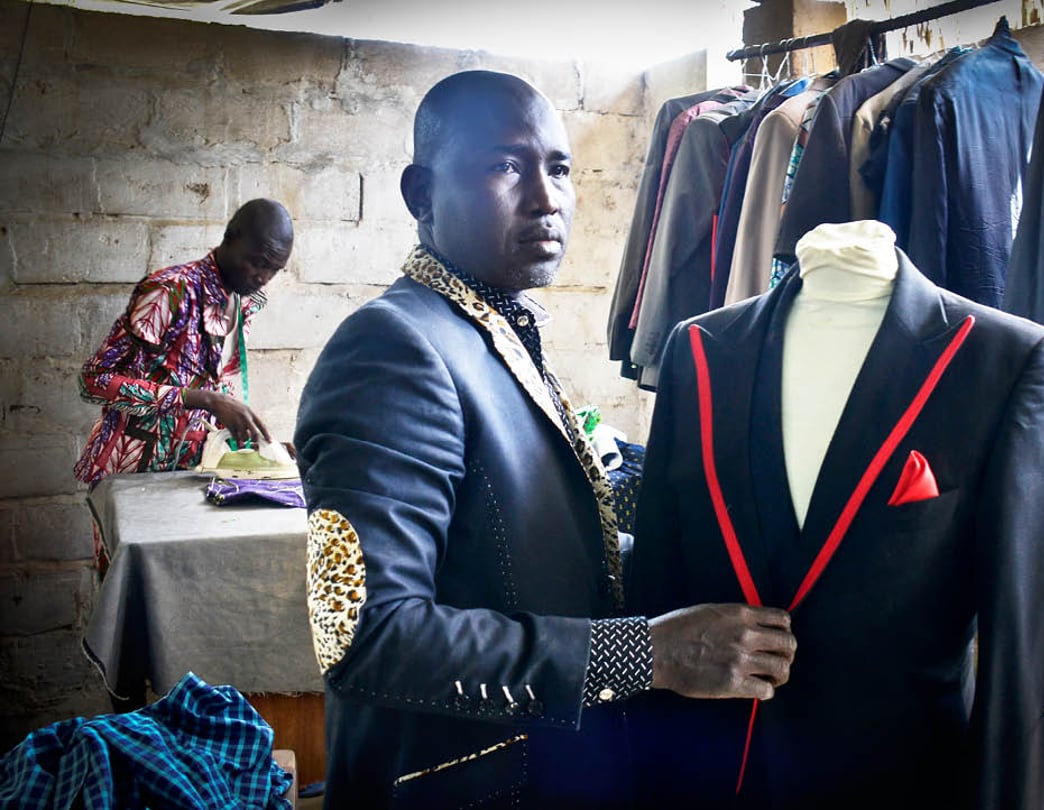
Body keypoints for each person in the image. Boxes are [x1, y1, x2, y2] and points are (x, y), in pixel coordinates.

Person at [292, 70, 798, 809]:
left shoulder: (493, 330)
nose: (545, 196)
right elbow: (366, 638)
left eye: (557, 168)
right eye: (504, 165)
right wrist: (648, 652)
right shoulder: (391, 350)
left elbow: (523, 556)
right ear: (420, 195)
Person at [627, 220, 1044, 809]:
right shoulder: (698, 351)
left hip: (900, 776)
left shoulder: (1009, 362)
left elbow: (1028, 646)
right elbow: (658, 587)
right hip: (710, 770)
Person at [73, 198, 293, 566]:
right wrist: (199, 399)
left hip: (189, 481)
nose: (263, 277)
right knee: (126, 605)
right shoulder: (168, 291)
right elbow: (93, 381)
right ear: (230, 237)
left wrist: (262, 452)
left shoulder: (244, 301)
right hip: (128, 481)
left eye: (274, 269)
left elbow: (211, 386)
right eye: (257, 262)